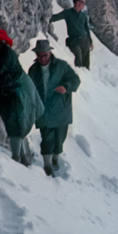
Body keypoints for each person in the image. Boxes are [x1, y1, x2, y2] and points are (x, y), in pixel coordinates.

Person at [0, 27, 44, 165]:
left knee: (16, 123)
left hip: (19, 90)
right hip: (6, 90)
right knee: (12, 122)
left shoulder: (6, 55)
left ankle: (17, 159)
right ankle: (21, 156)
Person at [27, 39, 81, 177]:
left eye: (44, 55)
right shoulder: (33, 70)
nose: (42, 59)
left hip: (61, 109)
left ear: (50, 53)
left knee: (59, 139)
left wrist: (66, 87)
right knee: (47, 138)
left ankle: (56, 159)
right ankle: (47, 165)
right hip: (44, 110)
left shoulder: (61, 66)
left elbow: (75, 79)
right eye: (39, 56)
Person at [49, 0, 95, 69]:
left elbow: (87, 29)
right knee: (78, 57)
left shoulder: (83, 16)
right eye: (83, 2)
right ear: (77, 2)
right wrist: (45, 16)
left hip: (84, 40)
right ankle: (77, 74)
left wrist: (90, 41)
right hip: (73, 40)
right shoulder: (68, 13)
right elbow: (55, 17)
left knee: (86, 62)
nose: (84, 5)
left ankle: (86, 77)